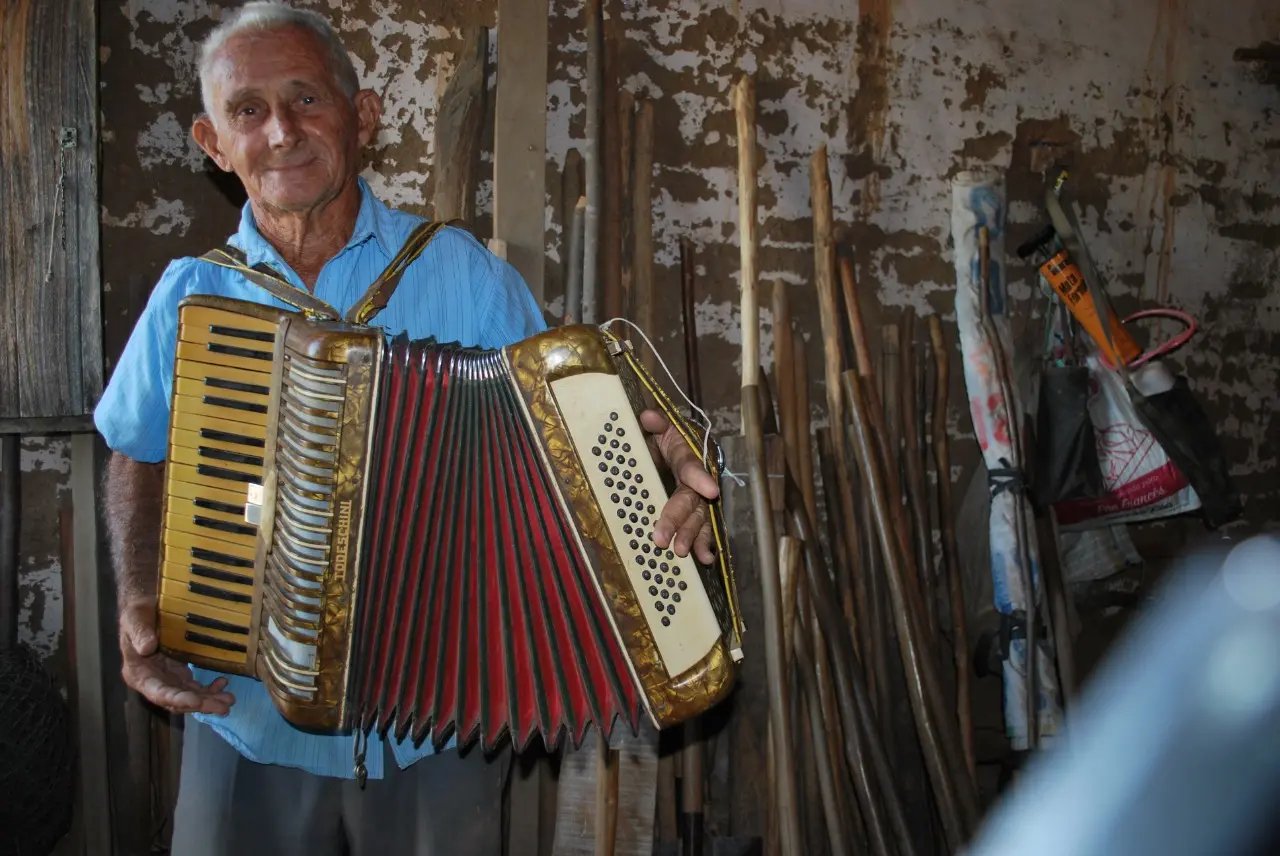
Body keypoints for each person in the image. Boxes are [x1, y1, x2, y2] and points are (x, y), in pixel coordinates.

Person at [93, 4, 720, 854]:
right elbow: (136, 448)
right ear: (213, 142)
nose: (280, 131)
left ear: (365, 116)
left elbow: (572, 432)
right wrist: (138, 599)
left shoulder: (461, 273)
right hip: (245, 707)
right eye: (247, 110)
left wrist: (661, 461)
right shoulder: (191, 296)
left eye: (307, 98)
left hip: (439, 720)